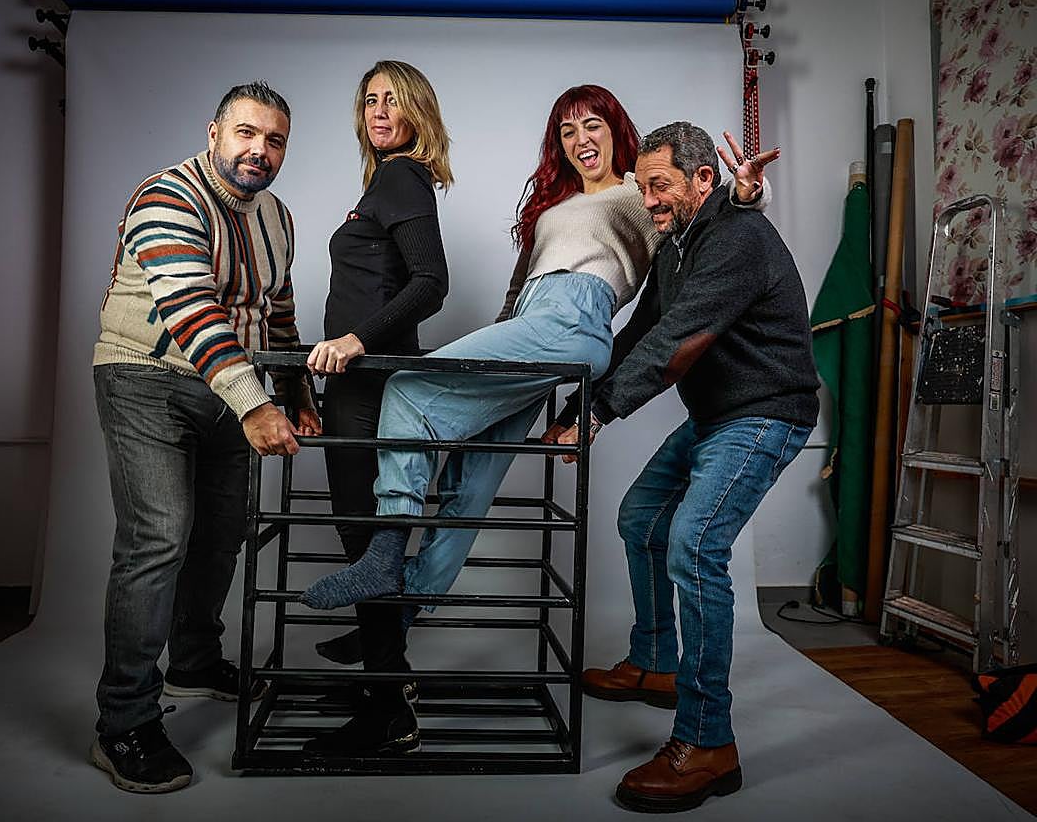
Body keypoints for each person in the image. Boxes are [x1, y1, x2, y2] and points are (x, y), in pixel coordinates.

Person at [299, 89, 768, 619]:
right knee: (471, 474)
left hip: (572, 319)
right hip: (531, 326)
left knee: (408, 386)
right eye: (567, 131)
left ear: (615, 128)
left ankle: (383, 554)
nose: (580, 140)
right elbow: (516, 292)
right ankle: (400, 613)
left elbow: (700, 208)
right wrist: (498, 339)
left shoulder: (641, 191)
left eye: (592, 125)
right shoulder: (553, 204)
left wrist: (749, 194)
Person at [559, 121, 819, 813]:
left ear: (704, 179)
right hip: (716, 416)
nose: (649, 200)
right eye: (643, 187)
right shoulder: (677, 245)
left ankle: (709, 743)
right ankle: (655, 663)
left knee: (695, 543)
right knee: (641, 515)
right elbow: (644, 328)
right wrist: (574, 389)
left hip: (765, 412)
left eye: (661, 185)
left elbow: (679, 342)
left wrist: (597, 414)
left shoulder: (736, 239)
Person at [90, 81, 319, 794]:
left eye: (275, 139)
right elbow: (191, 307)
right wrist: (256, 406)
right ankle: (123, 721)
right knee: (159, 536)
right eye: (247, 133)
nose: (260, 150)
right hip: (145, 378)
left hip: (232, 387)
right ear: (214, 131)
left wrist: (296, 393)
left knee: (224, 530)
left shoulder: (278, 216)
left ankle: (193, 659)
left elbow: (278, 313)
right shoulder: (167, 194)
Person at [301, 60, 453, 756]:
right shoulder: (385, 180)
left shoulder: (401, 176)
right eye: (370, 100)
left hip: (370, 379)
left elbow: (432, 283)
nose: (380, 111)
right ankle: (389, 676)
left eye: (394, 100)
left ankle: (388, 707)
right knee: (367, 540)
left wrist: (356, 341)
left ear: (418, 111)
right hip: (359, 381)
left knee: (364, 541)